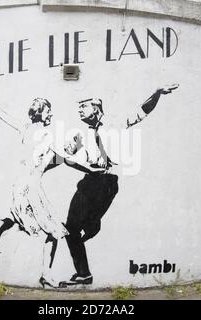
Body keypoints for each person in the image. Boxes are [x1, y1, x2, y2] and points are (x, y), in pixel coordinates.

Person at [0, 81, 101, 288]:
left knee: (30, 226)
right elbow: (66, 159)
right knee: (54, 232)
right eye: (49, 111)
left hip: (19, 187)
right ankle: (46, 275)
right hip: (32, 189)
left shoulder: (25, 128)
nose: (51, 115)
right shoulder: (48, 135)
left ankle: (9, 224)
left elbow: (1, 113)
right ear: (42, 113)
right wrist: (90, 169)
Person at [59, 84, 179, 286]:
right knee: (70, 228)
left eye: (83, 106)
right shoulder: (81, 133)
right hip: (89, 181)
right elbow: (65, 153)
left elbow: (142, 112)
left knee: (83, 226)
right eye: (79, 107)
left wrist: (156, 94)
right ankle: (84, 273)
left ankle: (92, 225)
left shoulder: (114, 124)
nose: (79, 110)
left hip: (107, 183)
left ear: (96, 108)